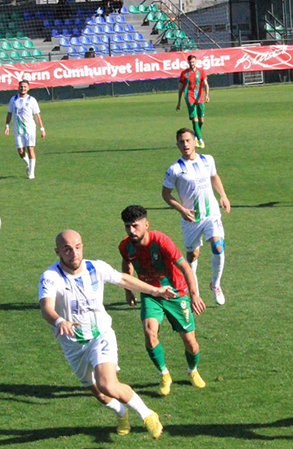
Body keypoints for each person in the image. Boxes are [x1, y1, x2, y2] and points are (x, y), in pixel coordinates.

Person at [40, 229, 167, 439]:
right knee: (100, 394)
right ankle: (121, 413)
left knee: (107, 384)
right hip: (73, 344)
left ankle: (148, 415)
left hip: (101, 334)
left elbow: (123, 279)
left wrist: (154, 291)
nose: (74, 253)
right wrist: (59, 320)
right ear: (58, 252)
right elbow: (46, 307)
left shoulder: (95, 267)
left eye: (78, 247)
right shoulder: (51, 277)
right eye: (68, 250)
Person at [119, 205, 207, 397]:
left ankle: (192, 370)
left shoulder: (161, 241)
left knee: (190, 342)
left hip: (176, 293)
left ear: (146, 224)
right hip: (151, 293)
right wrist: (129, 291)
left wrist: (194, 294)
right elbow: (126, 264)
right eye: (127, 227)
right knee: (149, 332)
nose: (131, 231)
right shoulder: (126, 246)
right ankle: (164, 374)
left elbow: (185, 267)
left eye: (135, 226)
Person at [162, 128, 230, 305]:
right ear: (177, 145)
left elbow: (214, 177)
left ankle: (215, 284)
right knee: (193, 255)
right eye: (181, 142)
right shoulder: (174, 169)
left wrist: (223, 195)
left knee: (218, 246)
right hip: (191, 219)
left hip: (211, 214)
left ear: (194, 142)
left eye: (188, 140)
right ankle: (194, 288)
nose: (185, 144)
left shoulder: (208, 160)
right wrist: (182, 210)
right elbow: (166, 194)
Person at [4, 79, 45, 180]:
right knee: (20, 150)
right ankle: (28, 164)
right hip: (18, 129)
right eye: (21, 87)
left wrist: (42, 129)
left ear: (28, 88)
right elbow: (9, 113)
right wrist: (7, 126)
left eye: (25, 87)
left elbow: (37, 115)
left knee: (30, 149)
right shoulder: (13, 99)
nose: (23, 88)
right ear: (18, 88)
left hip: (30, 129)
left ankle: (31, 173)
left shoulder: (32, 100)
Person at [176, 55, 210, 148]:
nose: (192, 64)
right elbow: (180, 88)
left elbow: (206, 84)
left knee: (201, 120)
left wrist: (207, 95)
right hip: (189, 98)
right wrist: (179, 102)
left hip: (200, 98)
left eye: (193, 62)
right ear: (188, 62)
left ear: (196, 62)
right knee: (195, 119)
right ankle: (200, 140)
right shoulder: (184, 74)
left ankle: (195, 136)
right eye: (190, 62)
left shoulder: (201, 72)